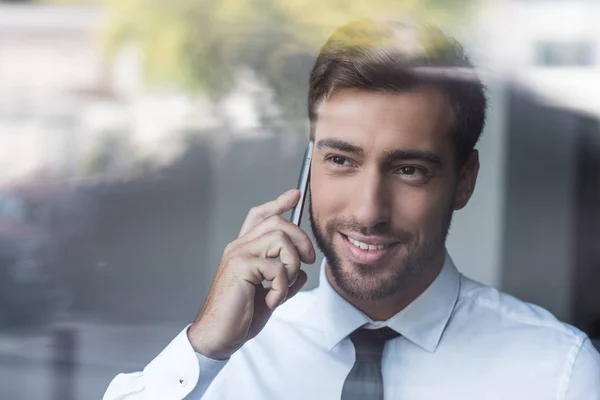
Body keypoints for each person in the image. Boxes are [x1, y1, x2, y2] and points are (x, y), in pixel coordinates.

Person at [104, 19, 600, 400]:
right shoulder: (224, 360)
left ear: (463, 181)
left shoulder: (559, 372)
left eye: (409, 170)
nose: (368, 212)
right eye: (341, 160)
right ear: (309, 164)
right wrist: (203, 348)